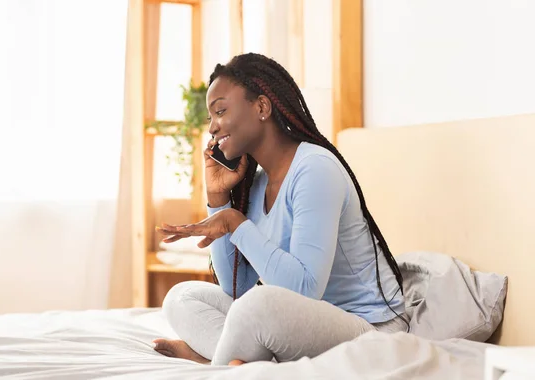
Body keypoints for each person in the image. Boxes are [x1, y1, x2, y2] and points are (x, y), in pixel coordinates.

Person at [153, 52, 408, 366]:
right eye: (211, 118)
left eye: (220, 111)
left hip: (367, 329)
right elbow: (238, 287)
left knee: (259, 306)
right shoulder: (258, 184)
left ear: (261, 107)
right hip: (304, 322)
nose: (212, 129)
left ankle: (215, 363)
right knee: (181, 298)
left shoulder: (315, 169)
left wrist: (235, 223)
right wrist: (219, 198)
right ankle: (233, 357)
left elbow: (303, 291)